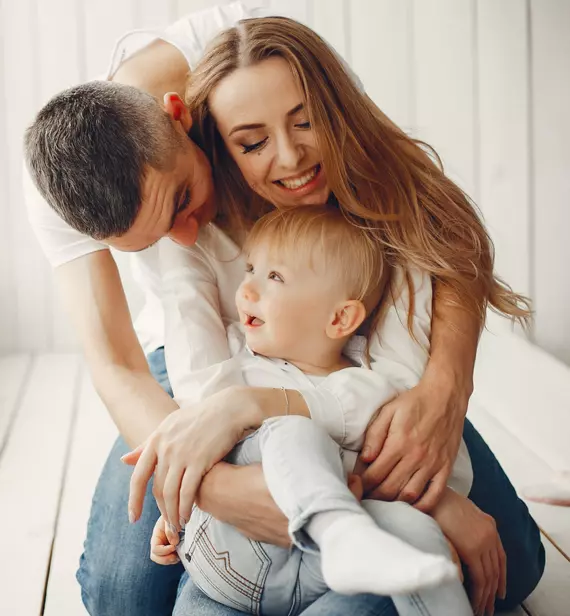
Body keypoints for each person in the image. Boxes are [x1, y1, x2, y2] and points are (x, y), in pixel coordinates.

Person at [23, 4, 544, 615]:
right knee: (122, 597)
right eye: (159, 237)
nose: (187, 237)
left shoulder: (255, 61)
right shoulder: (63, 182)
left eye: (185, 199)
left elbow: (426, 215)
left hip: (329, 346)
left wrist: (444, 387)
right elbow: (119, 366)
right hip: (198, 357)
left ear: (183, 118)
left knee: (508, 563)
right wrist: (216, 489)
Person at [146, 205, 475, 616]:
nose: (246, 289)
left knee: (422, 538)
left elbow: (421, 468)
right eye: (250, 269)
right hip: (235, 559)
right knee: (291, 430)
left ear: (340, 318)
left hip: (318, 569)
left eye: (274, 277)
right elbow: (197, 448)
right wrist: (177, 513)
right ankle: (341, 533)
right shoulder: (237, 370)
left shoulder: (368, 386)